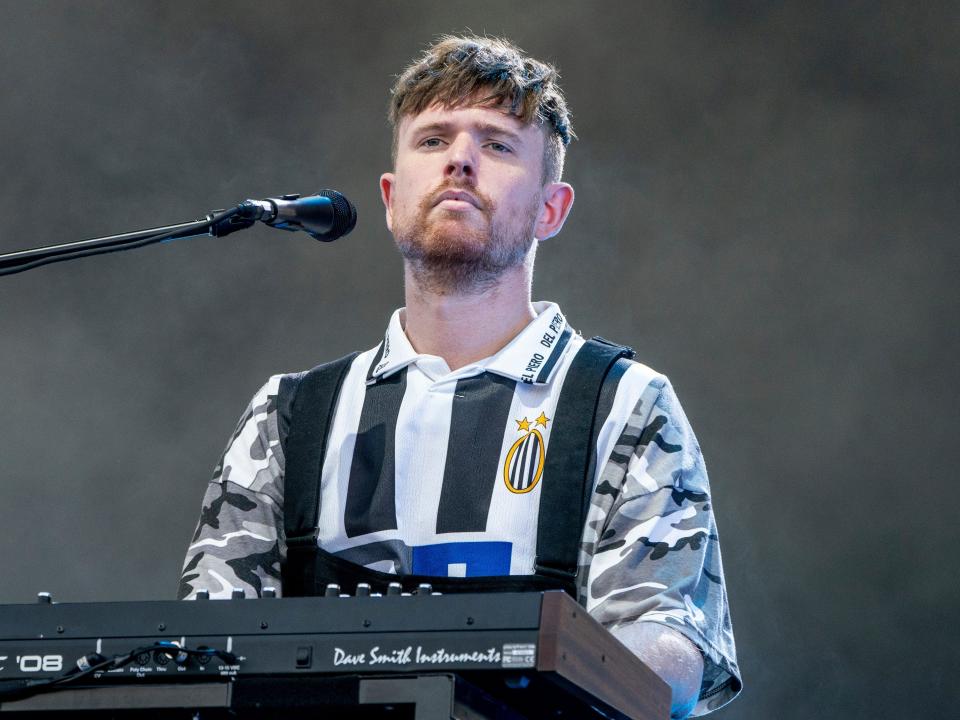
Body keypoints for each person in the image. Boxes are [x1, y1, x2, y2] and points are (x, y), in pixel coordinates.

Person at [179, 35, 741, 718]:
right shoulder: (289, 416)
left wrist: (510, 666)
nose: (460, 160)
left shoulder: (624, 404)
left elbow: (671, 648)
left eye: (498, 144)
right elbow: (205, 651)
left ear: (550, 210)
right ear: (390, 199)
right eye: (433, 139)